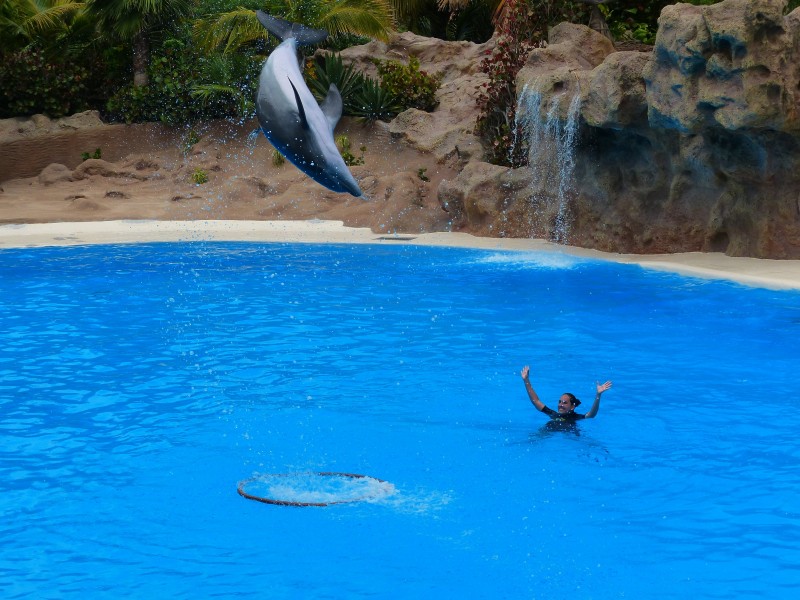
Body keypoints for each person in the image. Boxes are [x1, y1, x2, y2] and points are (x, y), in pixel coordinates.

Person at [520, 365, 612, 424]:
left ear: (572, 407)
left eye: (564, 402)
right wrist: (526, 380)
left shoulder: (575, 417)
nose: (560, 405)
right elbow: (535, 401)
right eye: (560, 402)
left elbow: (591, 415)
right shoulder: (553, 414)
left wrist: (598, 395)